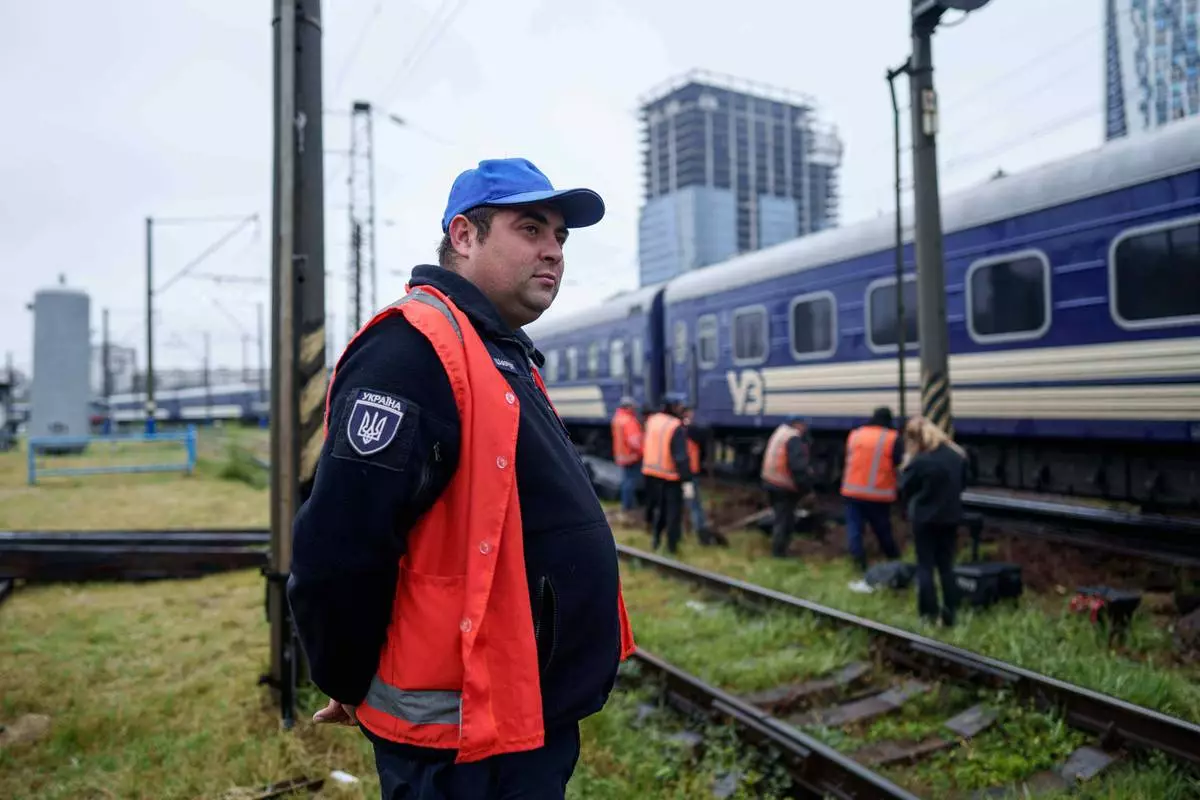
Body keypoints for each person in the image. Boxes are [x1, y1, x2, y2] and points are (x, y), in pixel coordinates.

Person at [287, 157, 636, 800]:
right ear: (464, 235)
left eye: (560, 236)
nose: (554, 251)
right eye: (530, 229)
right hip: (461, 737)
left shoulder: (494, 348)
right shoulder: (411, 351)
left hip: (516, 712)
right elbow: (341, 540)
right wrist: (343, 671)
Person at [898, 415, 969, 627]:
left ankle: (928, 615)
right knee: (947, 566)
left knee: (925, 566)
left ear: (913, 439)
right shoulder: (956, 456)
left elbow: (904, 487)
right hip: (951, 516)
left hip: (924, 519)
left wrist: (907, 462)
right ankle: (950, 614)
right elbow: (965, 482)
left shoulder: (920, 461)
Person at [839, 406, 903, 572]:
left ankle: (858, 563)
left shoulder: (855, 434)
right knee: (882, 529)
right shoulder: (892, 438)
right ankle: (893, 558)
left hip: (852, 491)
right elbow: (899, 463)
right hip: (878, 493)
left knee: (854, 529)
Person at [640, 393, 693, 554]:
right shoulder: (675, 426)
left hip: (651, 473)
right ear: (672, 407)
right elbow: (680, 456)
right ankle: (672, 546)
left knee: (660, 510)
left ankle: (656, 540)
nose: (682, 410)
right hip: (670, 477)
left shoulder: (653, 420)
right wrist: (687, 480)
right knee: (673, 513)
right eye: (679, 406)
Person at [760, 416, 815, 558]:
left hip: (771, 482)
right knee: (785, 521)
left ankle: (779, 549)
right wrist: (807, 489)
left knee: (780, 518)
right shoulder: (793, 438)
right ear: (798, 424)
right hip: (783, 485)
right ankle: (779, 553)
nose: (805, 428)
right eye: (803, 425)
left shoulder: (780, 432)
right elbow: (798, 467)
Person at [681, 408, 716, 546]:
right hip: (689, 474)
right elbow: (702, 433)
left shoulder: (678, 428)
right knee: (693, 503)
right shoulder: (688, 429)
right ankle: (700, 532)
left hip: (682, 473)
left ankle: (689, 529)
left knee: (689, 501)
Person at [610, 395, 643, 526]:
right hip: (631, 456)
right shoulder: (629, 421)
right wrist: (643, 451)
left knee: (626, 481)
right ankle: (628, 506)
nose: (635, 409)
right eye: (633, 407)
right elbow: (634, 441)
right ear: (628, 407)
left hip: (621, 455)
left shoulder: (617, 418)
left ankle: (628, 504)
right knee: (630, 482)